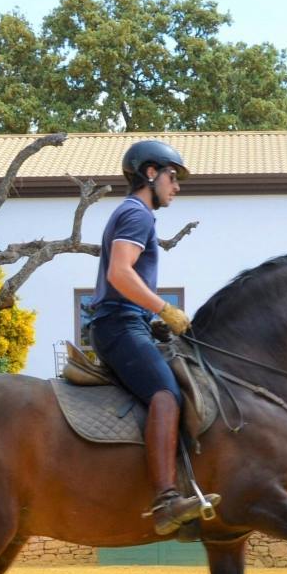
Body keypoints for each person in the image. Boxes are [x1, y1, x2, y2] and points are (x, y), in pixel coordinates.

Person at [82, 140, 207, 534]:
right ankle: (167, 499)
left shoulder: (133, 214)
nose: (177, 186)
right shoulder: (138, 215)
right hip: (118, 325)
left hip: (127, 320)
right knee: (166, 396)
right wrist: (163, 309)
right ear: (150, 173)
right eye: (173, 176)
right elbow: (120, 274)